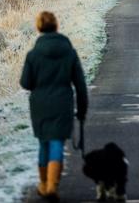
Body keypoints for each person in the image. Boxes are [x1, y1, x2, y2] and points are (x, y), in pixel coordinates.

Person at [20, 11, 89, 199]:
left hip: (40, 105)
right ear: (56, 26)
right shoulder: (69, 52)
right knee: (57, 142)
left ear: (39, 27)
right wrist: (82, 110)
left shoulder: (33, 55)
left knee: (44, 143)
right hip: (62, 103)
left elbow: (25, 83)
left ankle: (43, 184)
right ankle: (52, 186)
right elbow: (80, 85)